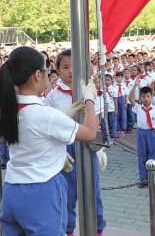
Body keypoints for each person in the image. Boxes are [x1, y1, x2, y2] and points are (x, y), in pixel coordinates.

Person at [0, 47, 99, 236]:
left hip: (12, 189)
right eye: (45, 70)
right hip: (41, 191)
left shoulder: (10, 109)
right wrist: (89, 100)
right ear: (37, 75)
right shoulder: (45, 114)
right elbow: (91, 133)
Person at [44, 49, 106, 236]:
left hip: (88, 147)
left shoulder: (91, 92)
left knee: (93, 194)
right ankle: (68, 230)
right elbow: (48, 128)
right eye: (65, 67)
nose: (71, 71)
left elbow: (96, 124)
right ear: (57, 70)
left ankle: (97, 230)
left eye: (75, 66)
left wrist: (99, 149)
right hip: (66, 151)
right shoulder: (53, 97)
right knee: (67, 196)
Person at [129, 78, 155, 187]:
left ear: (152, 97)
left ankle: (152, 178)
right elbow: (130, 97)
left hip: (152, 133)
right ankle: (143, 179)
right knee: (142, 156)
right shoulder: (138, 108)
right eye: (143, 97)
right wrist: (135, 85)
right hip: (142, 133)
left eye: (148, 96)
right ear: (140, 98)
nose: (146, 99)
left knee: (153, 155)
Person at [113, 71, 128, 138]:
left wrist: (126, 103)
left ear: (122, 78)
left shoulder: (124, 85)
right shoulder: (114, 85)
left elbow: (126, 95)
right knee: (117, 114)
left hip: (122, 99)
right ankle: (117, 129)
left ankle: (122, 129)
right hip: (116, 99)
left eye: (119, 77)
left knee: (123, 115)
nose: (118, 78)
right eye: (117, 77)